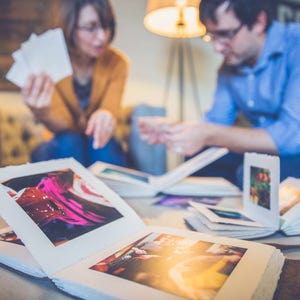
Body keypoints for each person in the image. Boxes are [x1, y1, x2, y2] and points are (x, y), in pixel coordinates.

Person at [138, 0, 300, 188]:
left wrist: (208, 133)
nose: (217, 48)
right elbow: (215, 123)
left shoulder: (295, 45)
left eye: (224, 34)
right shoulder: (229, 67)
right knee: (197, 156)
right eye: (211, 36)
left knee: (253, 174)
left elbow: (291, 136)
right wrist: (176, 130)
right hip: (266, 152)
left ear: (258, 22)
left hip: (294, 150)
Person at [21, 0, 129, 167]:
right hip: (60, 140)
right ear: (70, 27)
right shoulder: (49, 61)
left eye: (107, 26)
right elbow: (64, 124)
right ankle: (69, 193)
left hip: (97, 142)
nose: (102, 36)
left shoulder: (117, 63)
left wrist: (106, 114)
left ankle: (111, 193)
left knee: (102, 145)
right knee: (70, 141)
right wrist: (44, 113)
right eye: (91, 28)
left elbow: (110, 108)